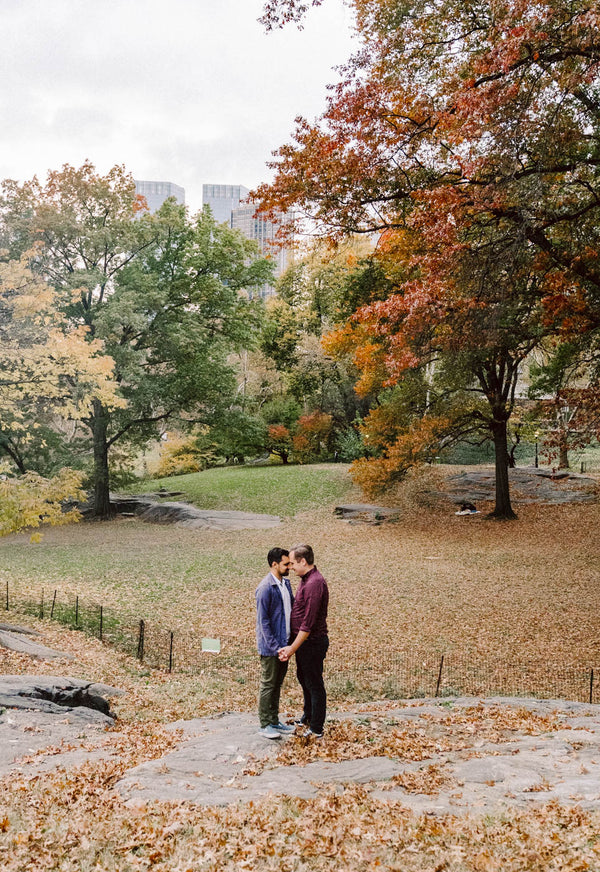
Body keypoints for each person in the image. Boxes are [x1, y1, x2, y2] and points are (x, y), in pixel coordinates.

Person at [278, 544, 329, 739]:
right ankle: (308, 717)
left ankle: (316, 727)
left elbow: (308, 624)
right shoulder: (306, 580)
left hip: (313, 643)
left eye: (292, 563)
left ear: (303, 561)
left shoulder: (315, 583)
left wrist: (291, 648)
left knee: (314, 683)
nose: (290, 567)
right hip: (304, 644)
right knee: (304, 679)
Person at [255, 547, 296, 739]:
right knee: (268, 684)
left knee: (277, 684)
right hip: (272, 647)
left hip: (285, 645)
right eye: (286, 564)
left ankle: (273, 720)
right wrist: (275, 648)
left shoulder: (285, 584)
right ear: (274, 564)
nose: (289, 566)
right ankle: (264, 724)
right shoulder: (265, 588)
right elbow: (263, 622)